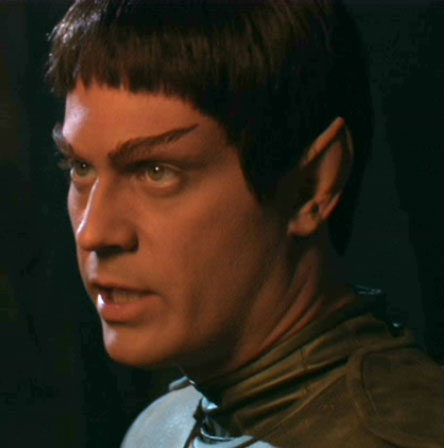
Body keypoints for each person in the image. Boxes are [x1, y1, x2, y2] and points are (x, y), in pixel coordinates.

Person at [47, 1, 444, 447]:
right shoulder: (159, 427)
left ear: (312, 184)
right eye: (81, 168)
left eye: (157, 172)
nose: (94, 233)